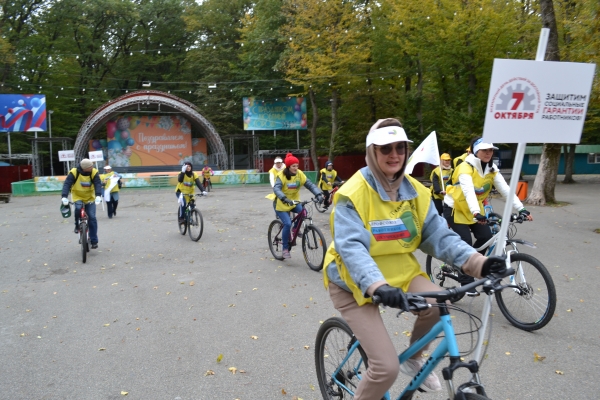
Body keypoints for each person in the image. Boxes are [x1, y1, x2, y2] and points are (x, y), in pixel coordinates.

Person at [321, 118, 506, 397]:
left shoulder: (417, 193)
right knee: (384, 369)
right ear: (372, 152)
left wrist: (478, 263)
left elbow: (439, 237)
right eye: (385, 149)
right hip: (354, 281)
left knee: (437, 303)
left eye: (400, 148)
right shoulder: (352, 194)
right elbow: (352, 249)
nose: (394, 155)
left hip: (402, 274)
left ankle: (414, 356)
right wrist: (377, 286)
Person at [443, 136, 533, 291]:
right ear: (476, 151)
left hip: (474, 210)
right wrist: (477, 212)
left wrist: (521, 209)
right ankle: (466, 280)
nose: (488, 153)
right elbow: (468, 191)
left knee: (485, 237)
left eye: (491, 149)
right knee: (465, 242)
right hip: (455, 208)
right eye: (484, 149)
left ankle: (472, 265)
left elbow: (506, 190)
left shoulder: (492, 169)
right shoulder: (465, 167)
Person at [273, 153, 324, 259]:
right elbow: (276, 188)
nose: (296, 168)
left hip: (294, 202)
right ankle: (285, 249)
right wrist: (283, 198)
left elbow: (309, 184)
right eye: (293, 166)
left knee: (303, 212)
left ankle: (295, 229)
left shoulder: (299, 174)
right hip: (282, 204)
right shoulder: (282, 175)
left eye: (297, 165)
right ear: (288, 167)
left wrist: (318, 194)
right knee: (287, 223)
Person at [61, 158, 103, 249]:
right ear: (85, 168)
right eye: (90, 166)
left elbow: (97, 184)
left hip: (89, 197)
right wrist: (64, 196)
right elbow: (67, 184)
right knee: (78, 208)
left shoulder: (94, 172)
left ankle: (94, 241)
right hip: (77, 196)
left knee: (92, 217)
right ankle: (77, 225)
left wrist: (98, 195)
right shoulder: (74, 172)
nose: (92, 167)